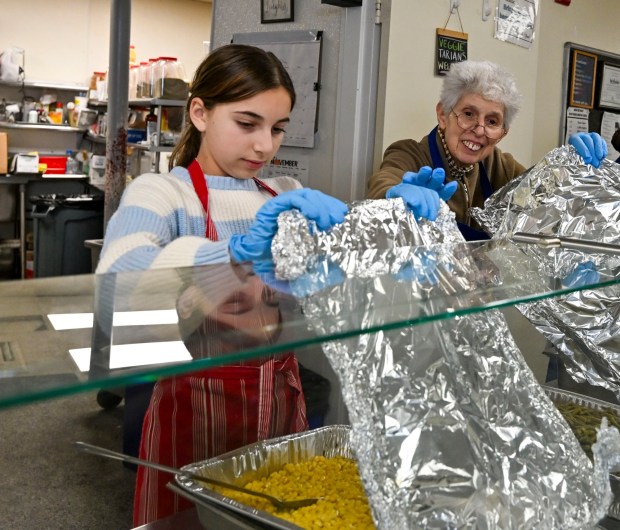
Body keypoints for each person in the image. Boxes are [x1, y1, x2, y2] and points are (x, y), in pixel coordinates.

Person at [96, 44, 440, 525]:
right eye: (247, 124)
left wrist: (400, 220)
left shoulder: (283, 195)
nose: (265, 146)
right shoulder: (162, 193)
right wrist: (232, 253)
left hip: (280, 401)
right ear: (200, 112)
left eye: (277, 129)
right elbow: (116, 291)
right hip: (192, 412)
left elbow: (346, 264)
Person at [367, 60, 608, 241]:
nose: (479, 130)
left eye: (492, 121)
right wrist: (395, 196)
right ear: (443, 114)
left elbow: (546, 194)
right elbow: (383, 182)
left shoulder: (501, 166)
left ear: (503, 131)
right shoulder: (410, 153)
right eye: (468, 114)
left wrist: (572, 168)